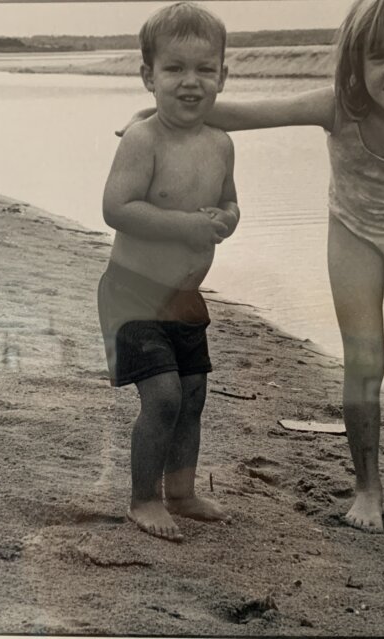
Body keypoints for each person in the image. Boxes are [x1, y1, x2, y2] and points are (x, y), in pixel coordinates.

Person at [120, 0, 384, 536]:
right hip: (352, 236)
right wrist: (151, 116)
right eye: (377, 57)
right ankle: (366, 489)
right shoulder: (338, 107)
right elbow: (246, 114)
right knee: (363, 361)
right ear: (355, 64)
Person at [99, 1, 239, 542]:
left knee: (195, 391)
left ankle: (181, 491)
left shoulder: (221, 144)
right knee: (162, 397)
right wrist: (185, 226)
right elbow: (117, 208)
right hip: (132, 293)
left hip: (184, 297)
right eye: (175, 69)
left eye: (205, 69)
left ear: (223, 77)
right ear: (147, 77)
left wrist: (224, 220)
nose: (191, 82)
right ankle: (143, 499)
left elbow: (230, 203)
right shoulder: (144, 139)